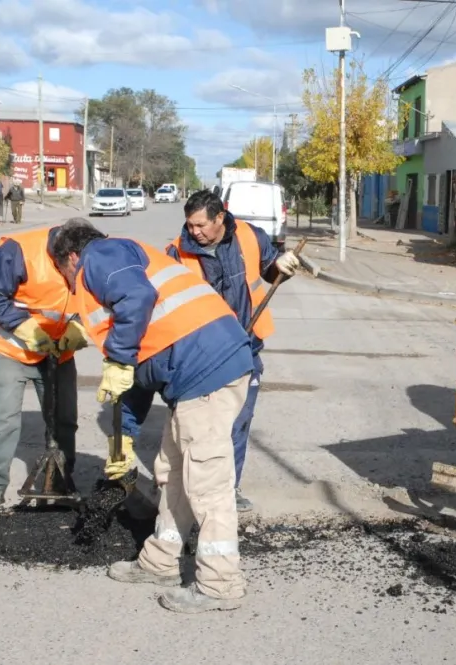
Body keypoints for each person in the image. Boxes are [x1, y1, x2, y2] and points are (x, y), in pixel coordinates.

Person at [51, 218, 255, 614]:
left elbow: (137, 302)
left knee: (207, 481)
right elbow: (140, 374)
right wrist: (122, 438)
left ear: (72, 256)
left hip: (208, 370)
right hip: (198, 372)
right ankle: (161, 561)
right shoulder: (120, 265)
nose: (67, 284)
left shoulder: (101, 256)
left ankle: (220, 583)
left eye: (63, 273)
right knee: (173, 468)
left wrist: (120, 359)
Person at [154, 189, 297, 513]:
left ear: (220, 218)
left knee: (238, 422)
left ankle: (227, 490)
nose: (194, 232)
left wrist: (282, 268)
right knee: (193, 426)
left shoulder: (249, 235)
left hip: (246, 347)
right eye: (190, 225)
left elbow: (269, 271)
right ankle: (182, 487)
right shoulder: (176, 254)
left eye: (201, 225)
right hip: (200, 355)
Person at [0, 223, 91, 527]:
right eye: (78, 270)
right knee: (3, 418)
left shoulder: (92, 256)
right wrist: (25, 329)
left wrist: (79, 327)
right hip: (10, 348)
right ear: (70, 257)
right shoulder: (19, 251)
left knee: (64, 418)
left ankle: (59, 482)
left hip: (58, 350)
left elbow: (100, 302)